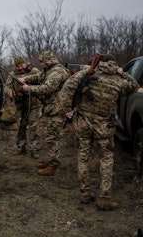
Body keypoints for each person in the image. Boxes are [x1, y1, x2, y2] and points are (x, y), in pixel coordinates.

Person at [60, 54, 139, 210]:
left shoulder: (87, 74)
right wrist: (121, 72)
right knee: (106, 158)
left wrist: (67, 110)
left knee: (83, 157)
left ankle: (85, 193)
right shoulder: (119, 82)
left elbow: (66, 89)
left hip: (82, 122)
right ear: (114, 65)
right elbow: (135, 85)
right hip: (104, 125)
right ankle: (104, 198)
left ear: (100, 64)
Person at [19, 50, 70, 175]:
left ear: (48, 61)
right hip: (52, 108)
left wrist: (28, 88)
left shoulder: (57, 72)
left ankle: (53, 166)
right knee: (51, 136)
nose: (40, 64)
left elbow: (48, 88)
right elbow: (39, 77)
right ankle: (52, 161)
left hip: (57, 109)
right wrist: (25, 78)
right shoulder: (49, 71)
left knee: (52, 137)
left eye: (42, 62)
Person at [3, 56, 41, 155]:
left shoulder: (34, 71)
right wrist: (10, 92)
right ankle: (21, 147)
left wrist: (28, 85)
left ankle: (34, 149)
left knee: (33, 126)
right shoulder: (12, 74)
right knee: (21, 126)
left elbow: (41, 81)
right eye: (18, 66)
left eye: (21, 65)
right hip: (19, 105)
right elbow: (6, 86)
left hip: (33, 105)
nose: (20, 68)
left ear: (25, 63)